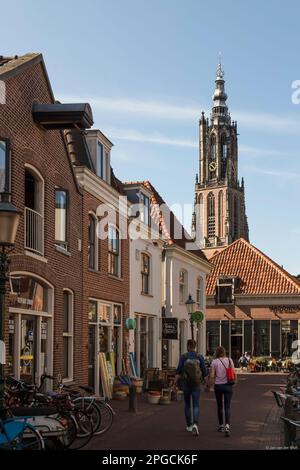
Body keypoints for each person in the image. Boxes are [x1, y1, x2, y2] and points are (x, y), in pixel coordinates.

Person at [175, 339, 207, 436]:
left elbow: (178, 370)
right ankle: (195, 424)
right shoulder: (199, 357)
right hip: (196, 384)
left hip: (186, 383)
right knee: (196, 405)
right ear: (195, 346)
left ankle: (189, 425)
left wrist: (177, 380)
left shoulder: (183, 357)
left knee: (188, 404)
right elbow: (204, 372)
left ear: (188, 346)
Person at [208, 346, 235, 437]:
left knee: (219, 406)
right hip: (228, 385)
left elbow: (212, 375)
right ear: (224, 352)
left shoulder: (214, 362)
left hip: (218, 386)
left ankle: (221, 426)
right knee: (227, 407)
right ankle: (227, 425)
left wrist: (209, 384)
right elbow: (234, 373)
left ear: (217, 353)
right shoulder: (230, 360)